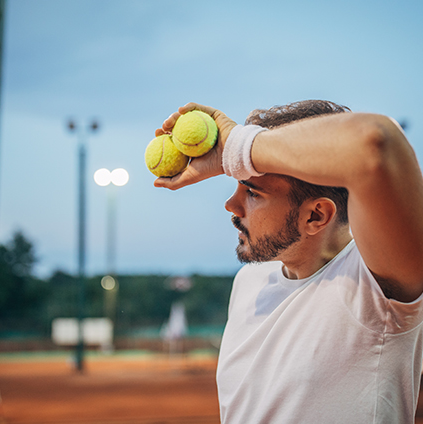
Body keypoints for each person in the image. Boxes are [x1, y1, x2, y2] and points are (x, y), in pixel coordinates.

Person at [154, 100, 423, 423]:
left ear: (316, 215)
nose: (231, 205)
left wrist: (239, 146)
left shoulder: (375, 285)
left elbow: (376, 143)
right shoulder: (250, 281)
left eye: (253, 193)